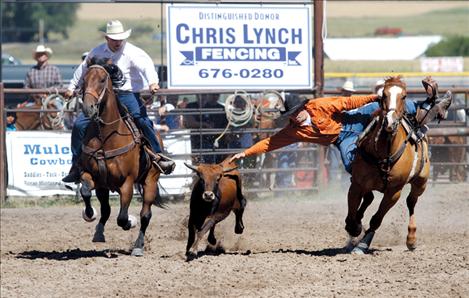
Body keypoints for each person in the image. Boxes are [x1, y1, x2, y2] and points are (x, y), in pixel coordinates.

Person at [230, 77, 453, 175]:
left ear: (301, 107)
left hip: (350, 119)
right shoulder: (293, 131)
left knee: (387, 104)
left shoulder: (318, 105)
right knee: (350, 165)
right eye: (292, 115)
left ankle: (429, 106)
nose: (295, 117)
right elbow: (270, 143)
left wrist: (371, 98)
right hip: (342, 137)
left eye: (296, 112)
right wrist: (246, 152)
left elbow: (347, 103)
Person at [62, 20, 175, 183]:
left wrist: (152, 82)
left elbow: (146, 66)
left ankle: (158, 156)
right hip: (102, 96)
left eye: (120, 39)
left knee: (141, 120)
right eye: (114, 39)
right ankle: (76, 164)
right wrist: (72, 87)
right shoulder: (97, 52)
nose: (118, 42)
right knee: (80, 125)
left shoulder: (132, 52)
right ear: (107, 38)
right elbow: (83, 70)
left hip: (127, 93)